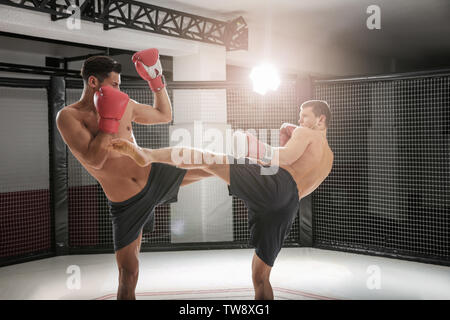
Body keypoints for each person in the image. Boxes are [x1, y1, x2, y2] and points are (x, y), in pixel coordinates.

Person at [110, 100, 334, 300]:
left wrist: (254, 146)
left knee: (209, 159)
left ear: (320, 119)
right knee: (261, 276)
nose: (300, 120)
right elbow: (295, 181)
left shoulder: (306, 133)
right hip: (289, 205)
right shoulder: (329, 159)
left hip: (276, 185)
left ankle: (148, 155)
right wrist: (273, 151)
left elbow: (282, 158)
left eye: (304, 115)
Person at [56, 48, 211, 300]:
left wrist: (156, 81)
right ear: (93, 82)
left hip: (152, 176)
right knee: (128, 273)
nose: (118, 90)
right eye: (114, 84)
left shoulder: (125, 104)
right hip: (126, 201)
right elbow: (95, 160)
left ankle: (259, 166)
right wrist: (108, 120)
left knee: (209, 167)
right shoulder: (69, 117)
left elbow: (164, 115)